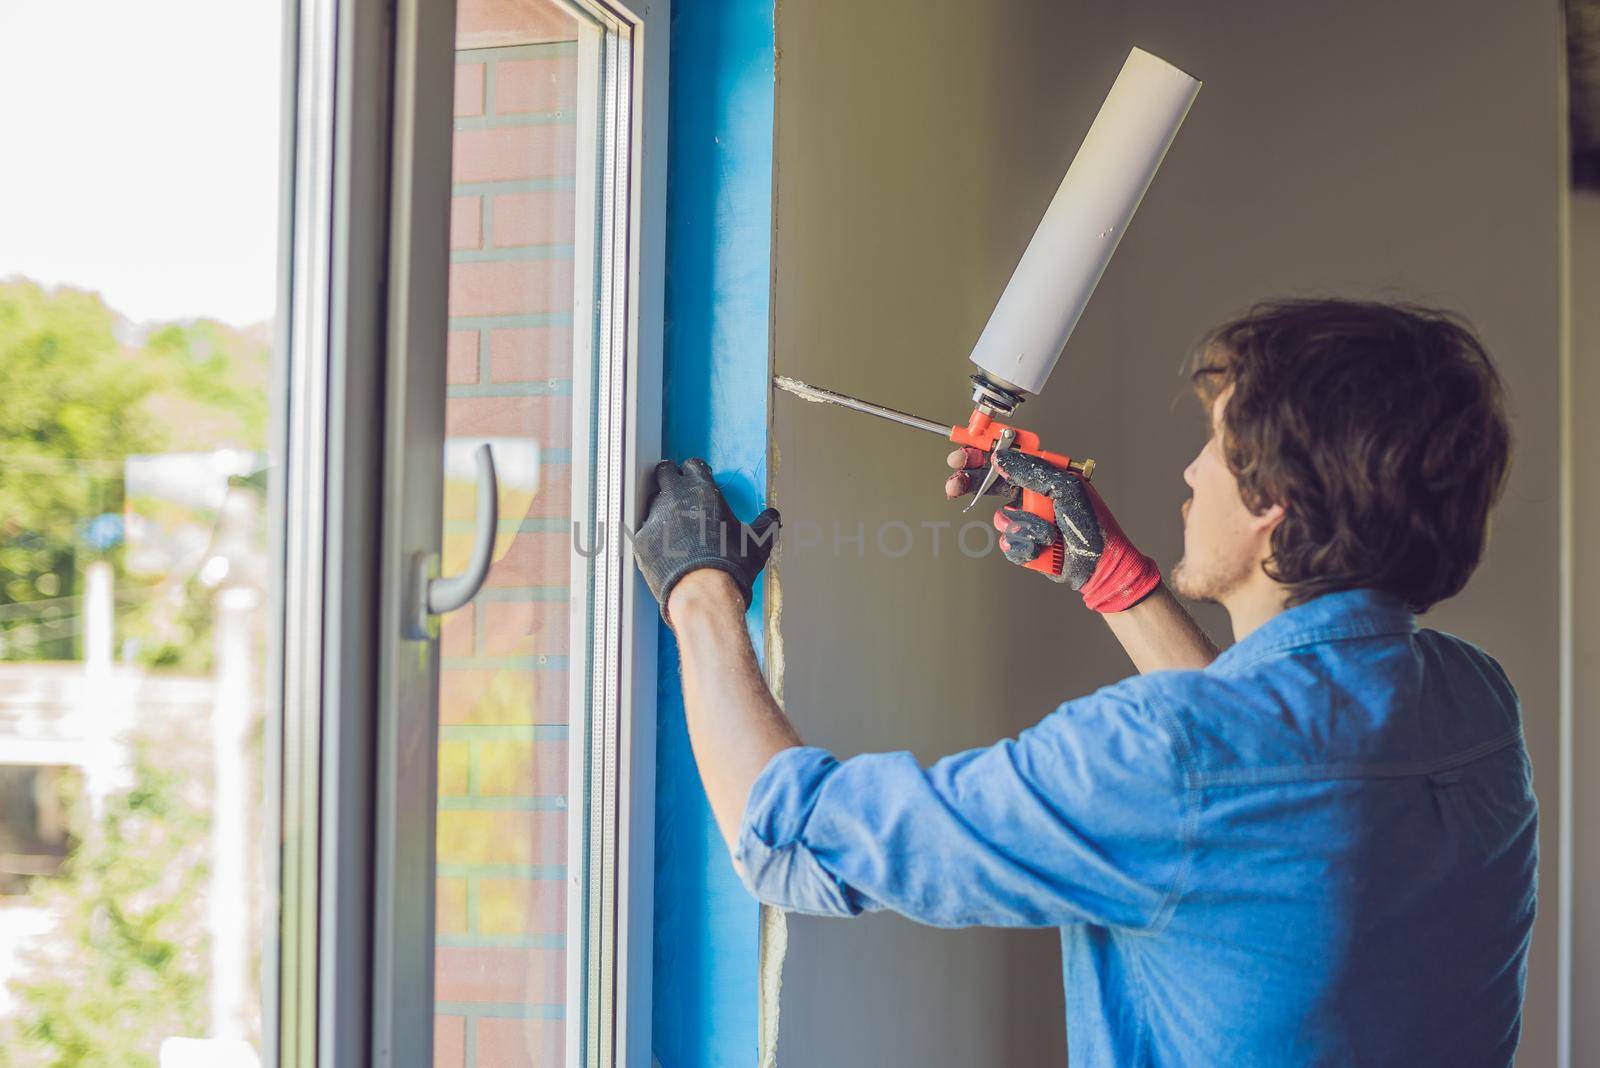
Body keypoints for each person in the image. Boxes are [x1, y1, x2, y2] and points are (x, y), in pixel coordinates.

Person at [631, 298, 1535, 1066]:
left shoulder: (1169, 758)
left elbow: (789, 841)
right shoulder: (1471, 701)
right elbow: (1266, 796)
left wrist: (701, 589)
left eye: (1217, 448)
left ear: (1274, 506)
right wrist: (1118, 581)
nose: (1189, 474)